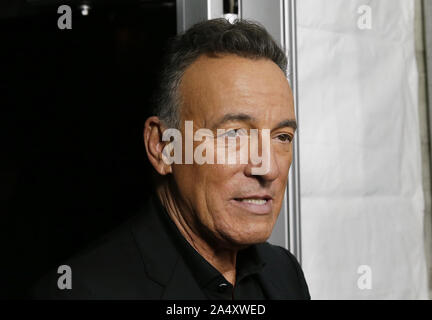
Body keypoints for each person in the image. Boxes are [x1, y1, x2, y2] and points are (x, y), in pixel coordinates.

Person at [30, 18, 310, 300]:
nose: (268, 167)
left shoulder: (283, 272)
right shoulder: (79, 293)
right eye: (234, 134)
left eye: (281, 137)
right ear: (163, 147)